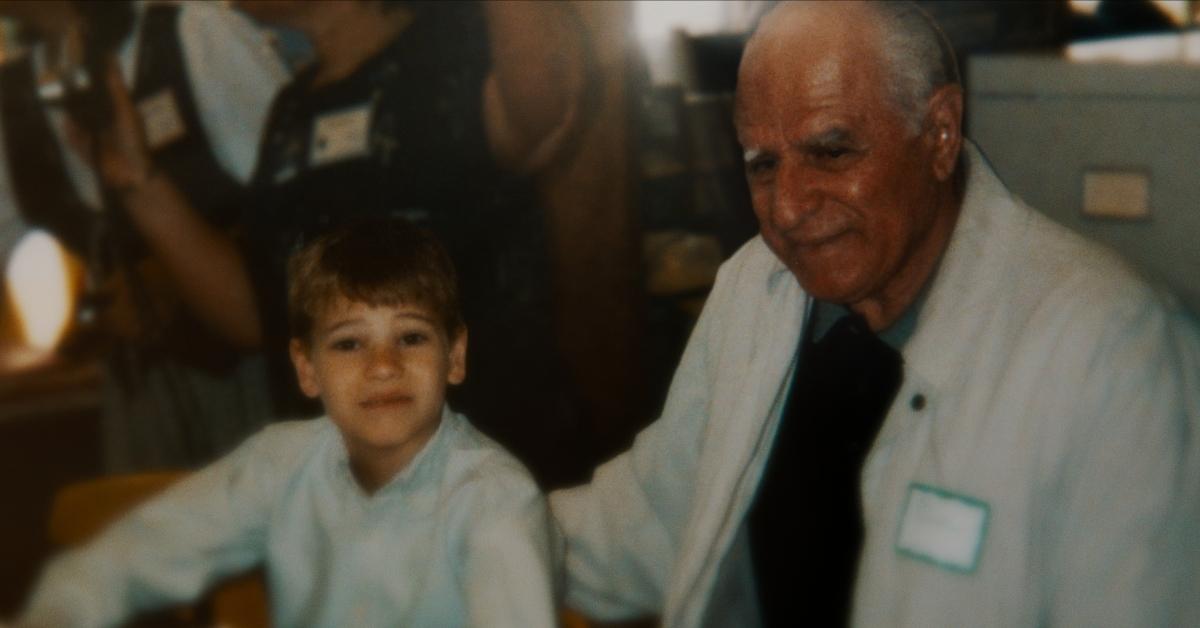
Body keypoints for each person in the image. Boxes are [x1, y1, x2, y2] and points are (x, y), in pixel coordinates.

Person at [550, 2, 1200, 627]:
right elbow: (661, 518)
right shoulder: (758, 286)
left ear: (940, 134)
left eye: (832, 152)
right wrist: (466, 530)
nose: (789, 207)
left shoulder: (1118, 353)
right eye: (763, 164)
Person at [89, 0, 597, 486]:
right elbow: (259, 316)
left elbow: (545, 105)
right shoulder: (293, 108)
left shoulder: (456, 55)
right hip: (346, 506)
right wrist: (142, 186)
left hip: (482, 489)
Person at [17, 218, 560, 627]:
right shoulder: (282, 463)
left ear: (456, 355)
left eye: (411, 337)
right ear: (307, 369)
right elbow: (130, 556)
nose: (383, 366)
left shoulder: (495, 501)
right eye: (349, 343)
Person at [0, 0, 288, 470]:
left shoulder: (193, 32)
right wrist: (88, 313)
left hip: (263, 369)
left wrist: (180, 281)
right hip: (138, 386)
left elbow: (305, 203)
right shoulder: (11, 98)